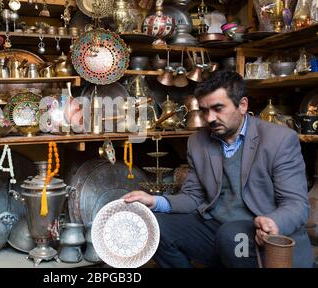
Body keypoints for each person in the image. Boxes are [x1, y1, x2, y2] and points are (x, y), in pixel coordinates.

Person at [124, 70, 314, 268]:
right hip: (216, 228)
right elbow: (193, 197)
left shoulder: (279, 139)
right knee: (153, 227)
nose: (210, 118)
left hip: (256, 234)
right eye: (204, 110)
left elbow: (296, 204)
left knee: (231, 236)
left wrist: (274, 222)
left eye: (218, 108)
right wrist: (155, 201)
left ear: (242, 105)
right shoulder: (197, 142)